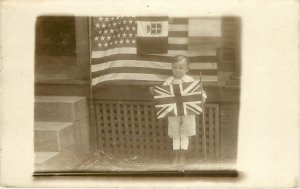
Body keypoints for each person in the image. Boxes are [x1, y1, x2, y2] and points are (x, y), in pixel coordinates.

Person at [150, 55, 207, 167]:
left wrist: (202, 97)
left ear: (187, 68)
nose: (177, 70)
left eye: (181, 68)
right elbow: (162, 95)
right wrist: (154, 91)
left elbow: (201, 93)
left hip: (187, 112)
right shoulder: (168, 81)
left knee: (185, 133)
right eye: (175, 67)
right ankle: (176, 156)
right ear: (172, 67)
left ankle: (182, 156)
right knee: (175, 134)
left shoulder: (190, 80)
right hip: (174, 113)